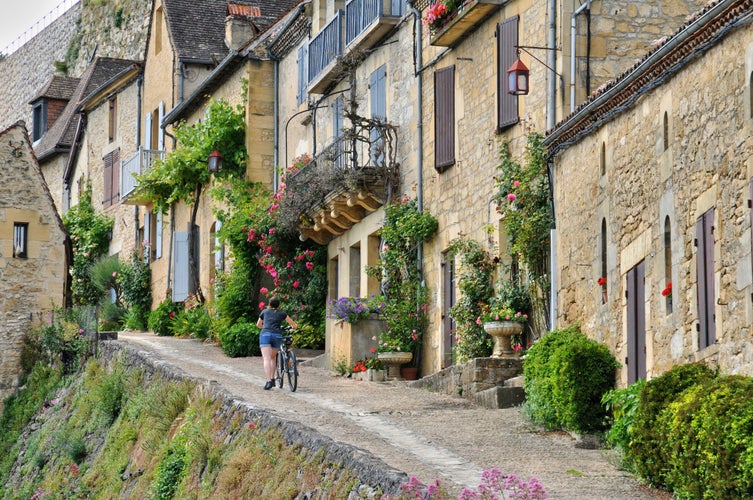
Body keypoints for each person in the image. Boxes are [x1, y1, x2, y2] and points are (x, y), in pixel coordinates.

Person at [256, 297, 297, 390]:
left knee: (266, 358)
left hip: (265, 335)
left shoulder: (264, 312)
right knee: (272, 357)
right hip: (277, 336)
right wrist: (294, 327)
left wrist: (265, 327)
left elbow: (258, 324)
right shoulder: (282, 313)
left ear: (269, 304)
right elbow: (293, 324)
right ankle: (273, 378)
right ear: (279, 305)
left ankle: (269, 381)